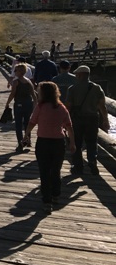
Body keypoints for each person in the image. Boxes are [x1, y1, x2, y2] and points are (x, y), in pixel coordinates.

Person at [23, 82, 76, 214]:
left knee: (44, 172)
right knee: (56, 170)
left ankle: (47, 202)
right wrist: (72, 143)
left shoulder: (40, 107)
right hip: (58, 143)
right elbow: (69, 126)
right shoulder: (62, 108)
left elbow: (32, 122)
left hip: (43, 143)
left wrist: (26, 135)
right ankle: (56, 195)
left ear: (43, 93)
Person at [66, 65, 110, 175]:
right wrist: (105, 120)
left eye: (77, 74)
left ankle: (78, 166)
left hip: (77, 119)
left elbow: (68, 106)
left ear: (80, 75)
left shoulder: (72, 88)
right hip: (93, 118)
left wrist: (65, 121)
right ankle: (92, 161)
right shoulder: (97, 88)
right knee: (91, 141)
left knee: (77, 142)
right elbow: (102, 106)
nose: (76, 76)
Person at [6, 63, 38, 152]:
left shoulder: (16, 82)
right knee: (28, 123)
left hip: (19, 104)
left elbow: (13, 94)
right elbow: (33, 93)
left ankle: (20, 143)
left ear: (20, 72)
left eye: (15, 70)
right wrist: (35, 104)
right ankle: (28, 140)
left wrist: (7, 103)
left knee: (18, 124)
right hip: (28, 104)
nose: (14, 72)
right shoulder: (28, 81)